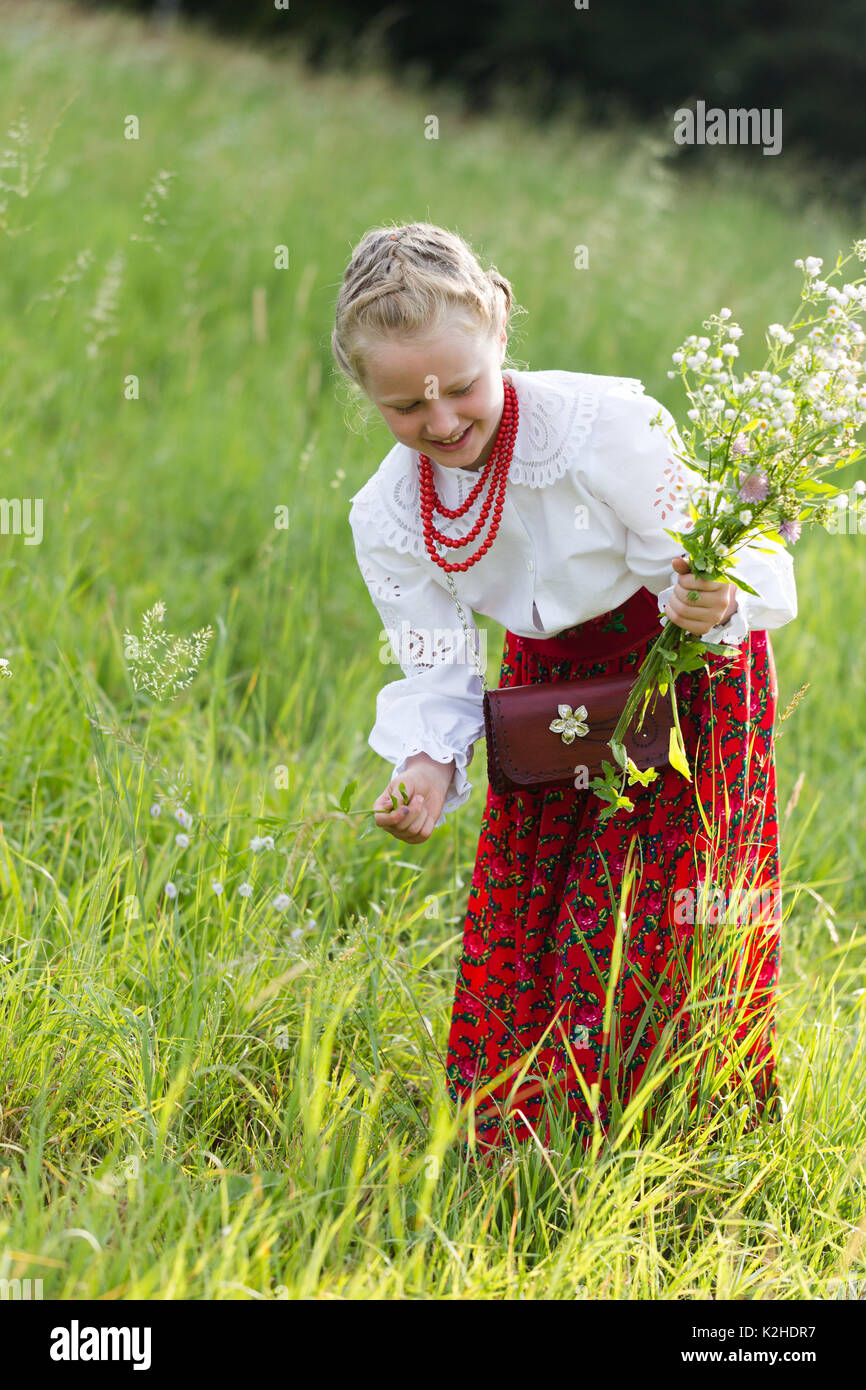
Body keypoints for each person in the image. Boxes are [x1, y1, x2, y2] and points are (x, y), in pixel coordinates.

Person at [332, 221, 798, 1157]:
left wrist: (711, 592)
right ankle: (532, 1140)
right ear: (365, 393)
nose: (444, 421)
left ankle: (673, 1137)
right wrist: (426, 765)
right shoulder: (389, 510)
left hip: (683, 671)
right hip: (548, 699)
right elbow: (435, 660)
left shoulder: (601, 428)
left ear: (499, 326)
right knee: (535, 911)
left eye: (461, 387)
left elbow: (727, 550)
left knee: (654, 910)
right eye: (406, 407)